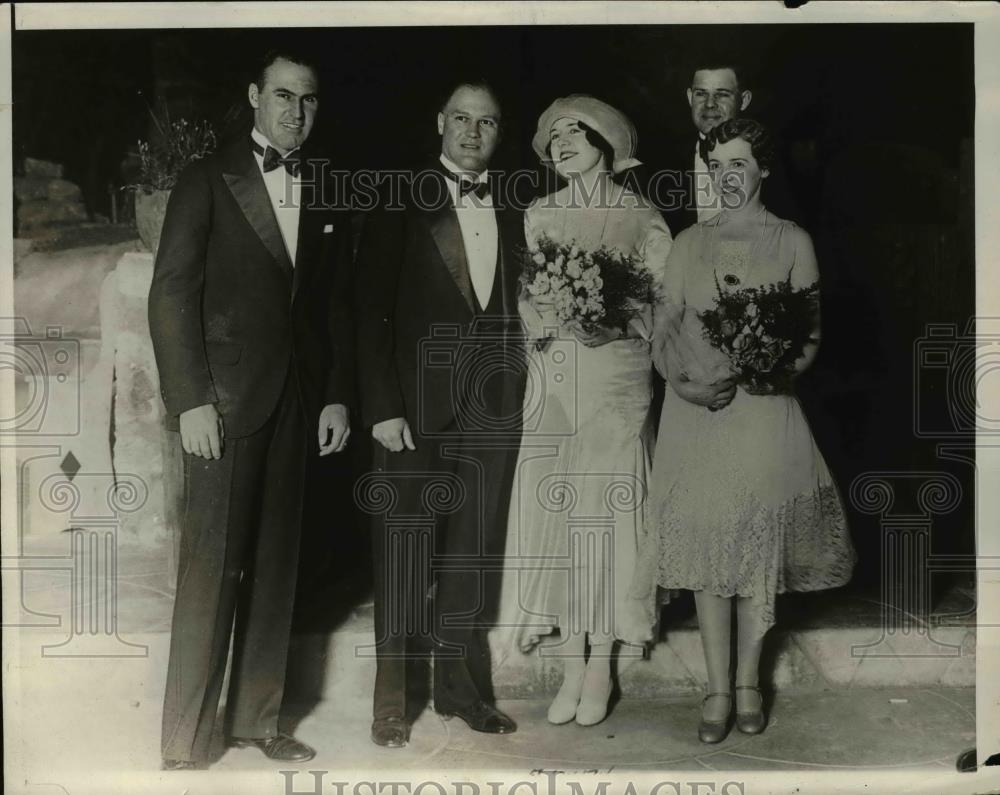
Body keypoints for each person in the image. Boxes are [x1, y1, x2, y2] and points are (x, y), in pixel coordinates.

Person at [149, 49, 355, 770]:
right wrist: (190, 401)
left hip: (297, 403)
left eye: (309, 99)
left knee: (278, 568)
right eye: (283, 97)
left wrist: (333, 393)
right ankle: (187, 738)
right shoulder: (206, 179)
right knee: (211, 572)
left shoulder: (325, 188)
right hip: (224, 408)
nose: (296, 112)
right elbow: (171, 293)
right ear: (253, 97)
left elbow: (329, 308)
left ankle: (259, 717)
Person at [632, 118, 855, 743]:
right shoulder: (686, 243)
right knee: (708, 550)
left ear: (763, 170)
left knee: (755, 548)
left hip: (763, 407)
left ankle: (751, 681)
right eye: (719, 165)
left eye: (739, 164)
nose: (729, 176)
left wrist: (770, 367)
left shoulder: (793, 240)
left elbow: (808, 337)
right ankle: (716, 688)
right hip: (695, 411)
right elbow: (665, 327)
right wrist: (682, 379)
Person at [354, 78, 525, 748]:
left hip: (490, 410)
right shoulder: (399, 198)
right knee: (403, 554)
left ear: (499, 132)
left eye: (486, 122)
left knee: (469, 557)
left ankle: (461, 692)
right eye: (461, 119)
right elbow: (370, 310)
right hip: (412, 413)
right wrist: (382, 406)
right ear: (439, 122)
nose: (472, 132)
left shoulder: (512, 206)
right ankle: (392, 703)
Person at [494, 95, 672, 727]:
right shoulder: (538, 214)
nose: (563, 142)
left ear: (605, 141)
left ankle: (602, 663)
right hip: (557, 375)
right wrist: (543, 316)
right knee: (561, 507)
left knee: (607, 508)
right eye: (554, 135)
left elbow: (660, 310)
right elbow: (526, 298)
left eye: (576, 132)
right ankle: (572, 661)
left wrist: (608, 315)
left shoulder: (642, 217)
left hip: (617, 377)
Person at [649, 60, 797, 236]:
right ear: (690, 97)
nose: (710, 104)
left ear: (744, 100)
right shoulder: (664, 161)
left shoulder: (771, 159)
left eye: (722, 94)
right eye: (701, 94)